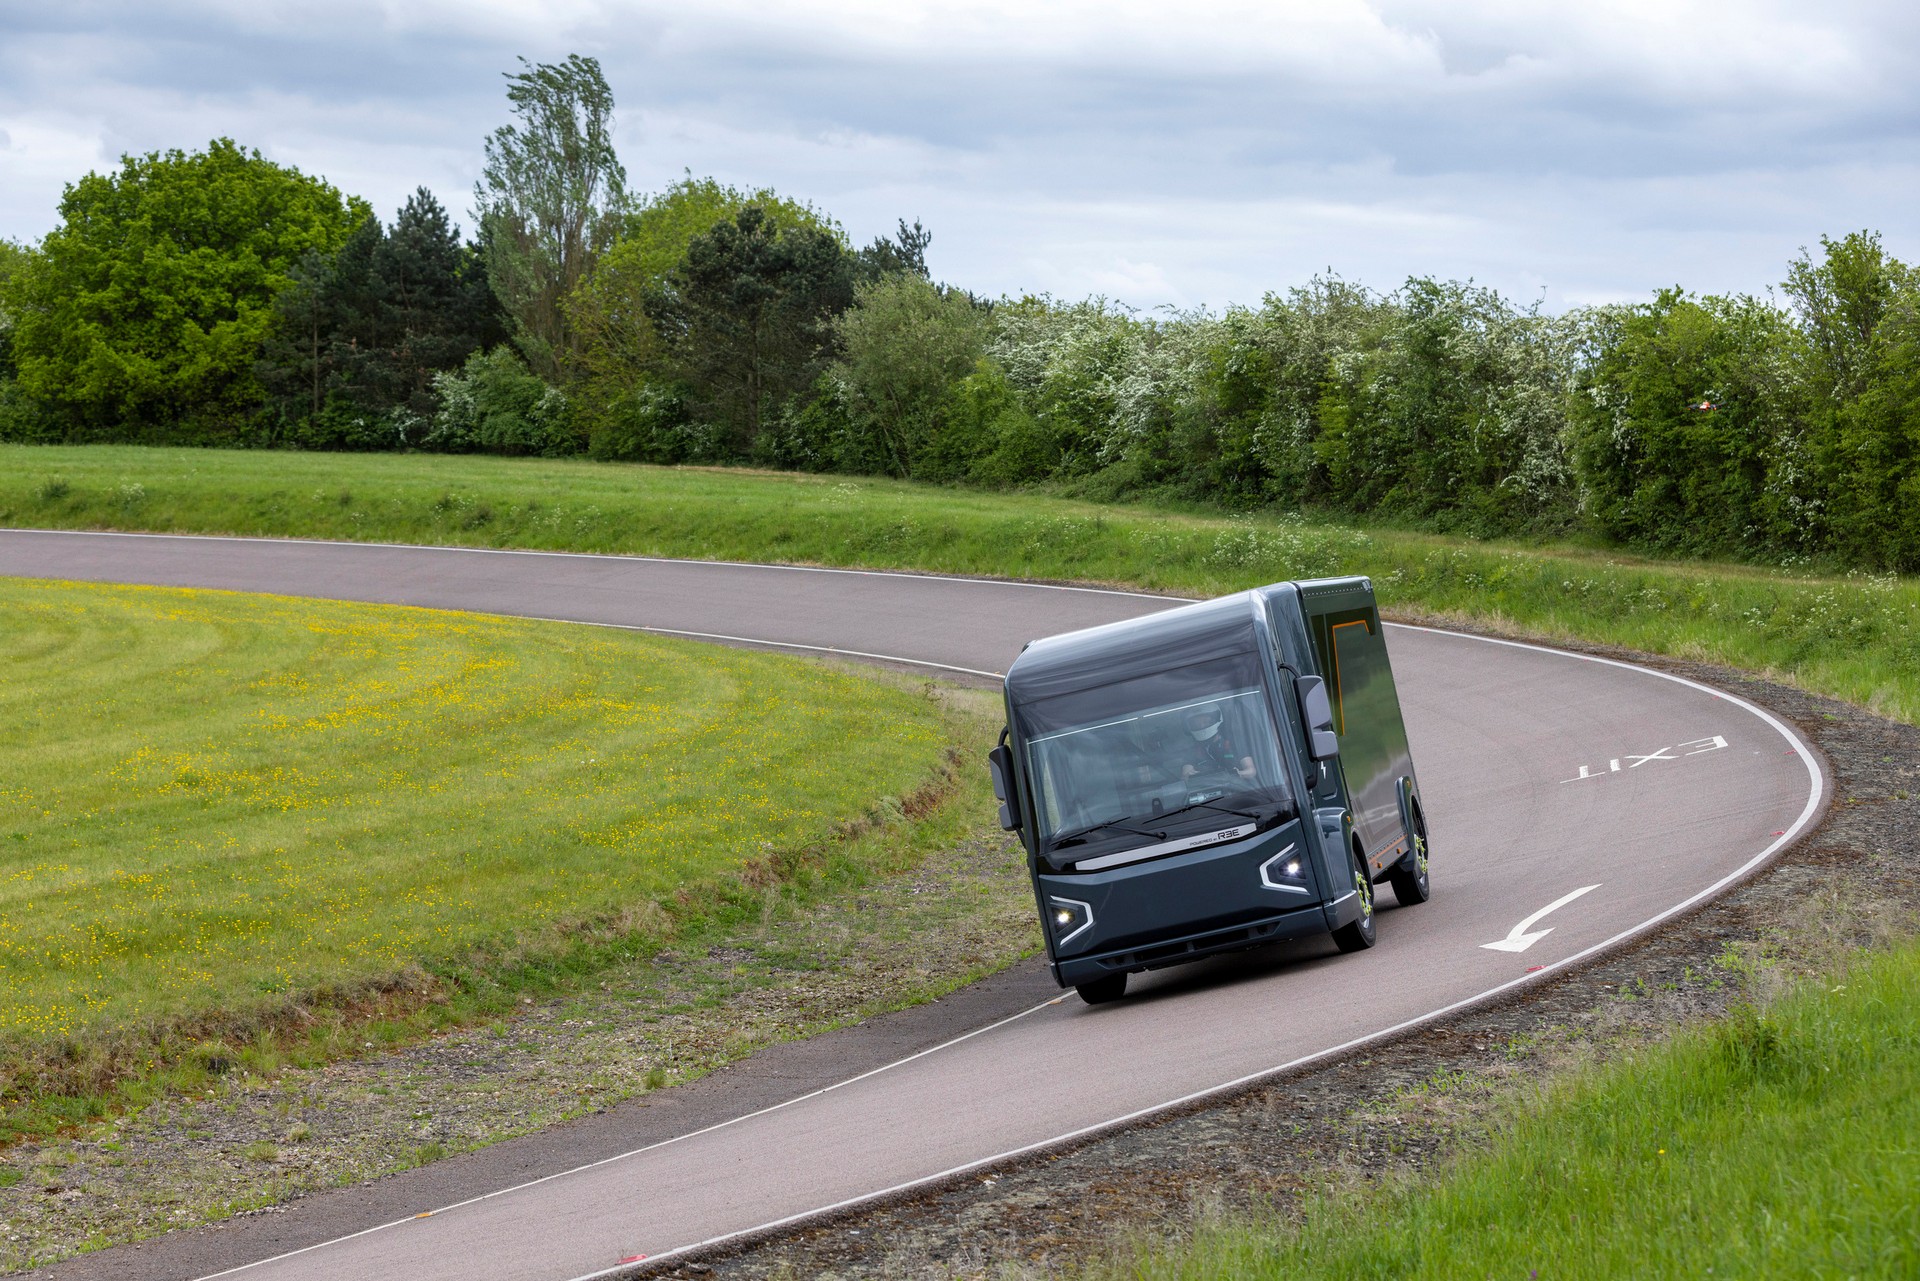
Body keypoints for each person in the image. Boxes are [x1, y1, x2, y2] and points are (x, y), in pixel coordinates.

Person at [1181, 703, 1256, 785]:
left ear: (1216, 719)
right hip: (1207, 792)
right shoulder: (1193, 749)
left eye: (1206, 722)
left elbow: (1251, 771)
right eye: (1196, 724)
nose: (1202, 725)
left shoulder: (1233, 742)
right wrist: (1189, 776)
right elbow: (1185, 775)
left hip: (1236, 789)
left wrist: (1238, 774)